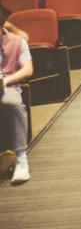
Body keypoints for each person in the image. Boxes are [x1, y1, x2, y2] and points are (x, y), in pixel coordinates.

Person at [1, 11, 33, 184]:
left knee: (12, 102)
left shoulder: (17, 41)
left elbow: (28, 69)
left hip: (8, 86)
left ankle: (21, 159)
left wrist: (6, 80)